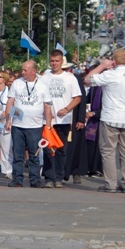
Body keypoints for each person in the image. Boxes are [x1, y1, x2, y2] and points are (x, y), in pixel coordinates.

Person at [84, 49, 125, 194]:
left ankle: (111, 183)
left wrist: (102, 66)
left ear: (114, 61)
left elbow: (87, 80)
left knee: (108, 152)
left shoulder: (110, 75)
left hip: (110, 117)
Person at [4, 60, 52, 188]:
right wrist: (8, 120)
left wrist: (48, 125)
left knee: (34, 155)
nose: (22, 72)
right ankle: (17, 179)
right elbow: (10, 101)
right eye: (22, 70)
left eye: (25, 70)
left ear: (34, 71)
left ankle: (35, 180)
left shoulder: (42, 85)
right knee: (18, 154)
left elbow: (47, 106)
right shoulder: (17, 83)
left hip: (35, 126)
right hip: (18, 125)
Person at [42, 51, 82, 188]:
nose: (54, 63)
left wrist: (66, 109)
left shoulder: (70, 78)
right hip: (48, 120)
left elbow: (77, 98)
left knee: (61, 149)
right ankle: (49, 177)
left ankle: (58, 177)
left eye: (57, 61)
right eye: (52, 61)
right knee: (48, 149)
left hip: (63, 119)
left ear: (62, 62)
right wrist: (46, 111)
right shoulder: (44, 78)